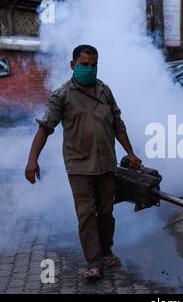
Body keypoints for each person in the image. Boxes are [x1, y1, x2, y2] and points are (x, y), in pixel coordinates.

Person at [25, 45, 142, 281]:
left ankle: (106, 250)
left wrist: (131, 153)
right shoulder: (62, 95)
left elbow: (118, 125)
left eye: (93, 65)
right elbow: (45, 127)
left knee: (106, 212)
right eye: (84, 64)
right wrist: (32, 159)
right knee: (87, 214)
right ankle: (94, 262)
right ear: (73, 65)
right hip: (78, 165)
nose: (89, 69)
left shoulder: (105, 91)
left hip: (106, 163)